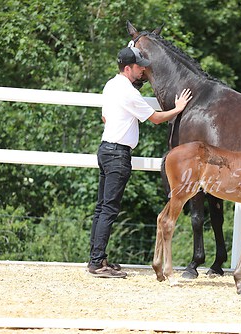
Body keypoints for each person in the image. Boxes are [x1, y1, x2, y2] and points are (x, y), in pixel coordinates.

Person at [88, 46, 193, 278]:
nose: (143, 70)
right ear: (128, 68)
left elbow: (105, 117)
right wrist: (178, 109)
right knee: (109, 209)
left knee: (101, 207)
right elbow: (155, 119)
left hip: (106, 149)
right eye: (139, 67)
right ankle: (97, 263)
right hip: (117, 154)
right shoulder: (128, 92)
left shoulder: (110, 85)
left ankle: (97, 257)